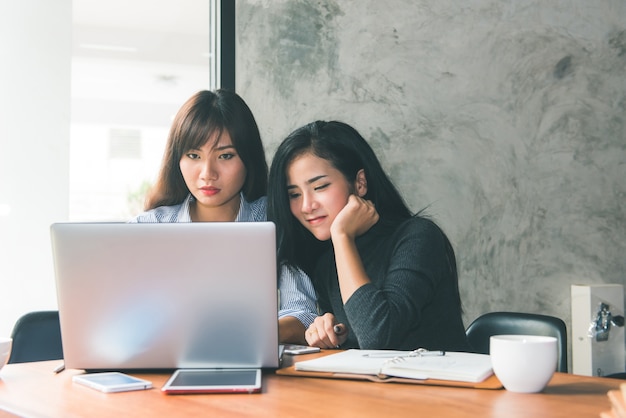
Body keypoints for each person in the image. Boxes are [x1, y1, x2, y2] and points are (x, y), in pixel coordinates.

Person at [130, 89, 317, 344]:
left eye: (225, 156)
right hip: (162, 364)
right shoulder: (146, 229)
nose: (207, 173)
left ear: (247, 157)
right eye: (194, 156)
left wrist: (246, 334)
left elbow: (302, 313)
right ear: (178, 159)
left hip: (254, 363)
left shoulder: (275, 219)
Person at [267, 120, 470, 351]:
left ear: (360, 183)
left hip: (441, 385)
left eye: (320, 187)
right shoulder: (327, 263)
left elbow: (378, 338)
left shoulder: (418, 237)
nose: (306, 206)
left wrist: (342, 236)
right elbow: (359, 343)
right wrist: (330, 332)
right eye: (294, 194)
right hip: (375, 386)